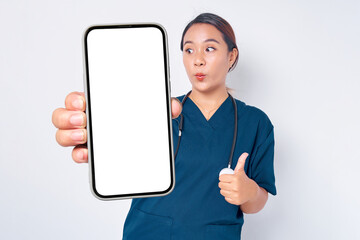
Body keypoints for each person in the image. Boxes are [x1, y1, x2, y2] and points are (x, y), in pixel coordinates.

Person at [52, 12, 276, 240]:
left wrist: (248, 191)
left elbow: (256, 202)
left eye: (209, 49)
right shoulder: (157, 111)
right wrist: (100, 136)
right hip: (147, 232)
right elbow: (122, 157)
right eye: (189, 50)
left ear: (231, 56)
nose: (197, 59)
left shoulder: (256, 123)